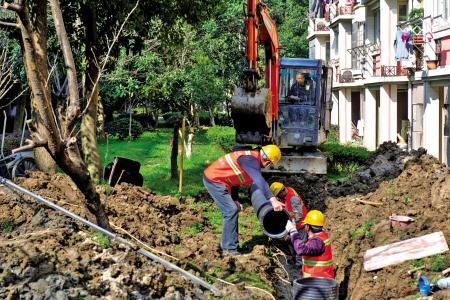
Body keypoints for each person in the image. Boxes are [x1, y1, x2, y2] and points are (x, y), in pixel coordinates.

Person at [203, 145, 285, 256]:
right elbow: (259, 180)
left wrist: (235, 199)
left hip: (220, 180)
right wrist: (273, 200)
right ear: (267, 161)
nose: (267, 166)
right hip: (214, 180)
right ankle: (229, 249)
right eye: (269, 164)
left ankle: (232, 246)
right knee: (230, 211)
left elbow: (235, 178)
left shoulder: (250, 158)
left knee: (232, 208)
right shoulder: (250, 160)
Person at [285, 210, 334, 279]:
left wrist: (293, 231)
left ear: (307, 227)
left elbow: (301, 249)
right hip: (321, 280)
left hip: (318, 283)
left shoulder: (317, 242)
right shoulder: (322, 236)